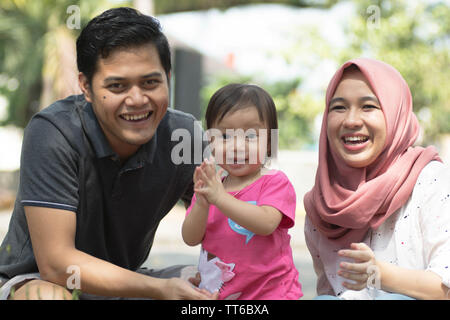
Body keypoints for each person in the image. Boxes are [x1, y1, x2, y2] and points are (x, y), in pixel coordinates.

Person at [0, 7, 216, 300]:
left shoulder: (183, 135)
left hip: (125, 281)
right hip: (40, 279)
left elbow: (233, 212)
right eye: (117, 86)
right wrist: (160, 289)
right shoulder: (54, 132)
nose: (137, 100)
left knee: (220, 284)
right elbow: (56, 264)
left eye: (151, 82)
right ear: (86, 86)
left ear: (168, 76)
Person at [303, 58, 450, 300]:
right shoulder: (323, 206)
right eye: (338, 107)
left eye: (368, 106)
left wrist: (379, 274)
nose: (351, 121)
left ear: (395, 114)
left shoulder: (431, 181)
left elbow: (445, 289)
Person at [182, 83, 303, 300]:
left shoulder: (274, 182)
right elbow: (190, 238)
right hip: (218, 294)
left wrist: (219, 198)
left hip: (271, 295)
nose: (237, 146)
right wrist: (201, 203)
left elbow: (265, 224)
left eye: (250, 136)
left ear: (269, 143)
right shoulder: (212, 185)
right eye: (225, 137)